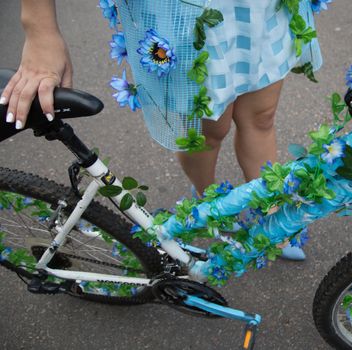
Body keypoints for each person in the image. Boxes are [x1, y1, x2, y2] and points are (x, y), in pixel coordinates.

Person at [0, 0, 324, 260]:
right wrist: (38, 27)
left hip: (256, 8)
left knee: (262, 117)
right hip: (186, 9)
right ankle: (211, 204)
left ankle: (272, 211)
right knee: (211, 129)